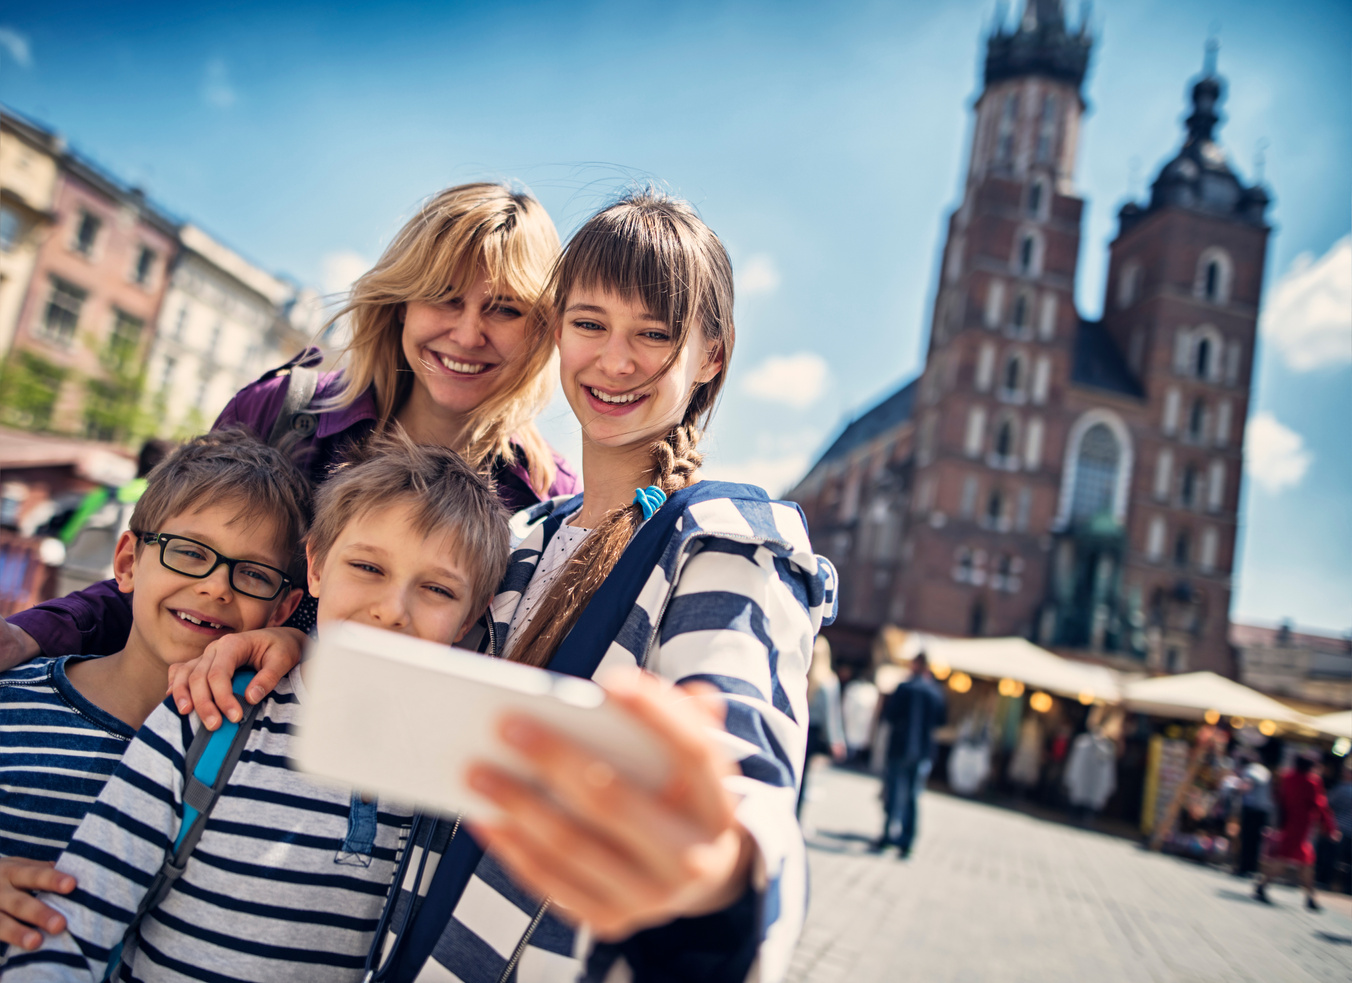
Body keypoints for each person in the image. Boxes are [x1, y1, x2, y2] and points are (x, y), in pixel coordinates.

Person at [159, 190, 835, 982]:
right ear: (556, 335)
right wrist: (300, 643)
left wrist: (719, 880)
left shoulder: (729, 540)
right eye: (590, 324)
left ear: (713, 354)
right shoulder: (520, 539)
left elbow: (745, 783)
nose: (615, 361)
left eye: (654, 334)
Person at [0, 182, 577, 671]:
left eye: (504, 309)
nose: (468, 333)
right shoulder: (283, 413)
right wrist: (32, 634)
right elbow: (165, 571)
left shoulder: (553, 500)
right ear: (400, 301)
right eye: (444, 298)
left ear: (540, 329)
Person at [1, 436, 512, 980]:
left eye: (436, 588)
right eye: (368, 567)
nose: (392, 610)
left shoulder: (447, 774)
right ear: (316, 569)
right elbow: (71, 932)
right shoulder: (200, 721)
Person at [0, 430, 309, 953]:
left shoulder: (264, 767)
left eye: (253, 573)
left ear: (280, 610)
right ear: (126, 562)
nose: (216, 586)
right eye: (189, 552)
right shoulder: (12, 702)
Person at [873, 653, 946, 857]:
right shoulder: (935, 692)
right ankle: (907, 841)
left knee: (895, 792)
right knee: (913, 795)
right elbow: (941, 721)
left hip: (900, 748)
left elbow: (889, 715)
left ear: (916, 665)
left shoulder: (905, 688)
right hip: (922, 751)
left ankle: (888, 835)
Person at [1252, 753, 1340, 910]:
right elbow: (1320, 805)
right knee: (1296, 860)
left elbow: (1279, 797)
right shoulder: (1312, 782)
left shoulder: (1287, 777)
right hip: (1302, 826)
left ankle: (1309, 897)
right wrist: (1329, 828)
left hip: (1288, 822)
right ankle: (1306, 896)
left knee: (1299, 860)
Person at [797, 636, 846, 818]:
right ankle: (797, 817)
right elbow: (831, 715)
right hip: (814, 732)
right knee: (804, 777)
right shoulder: (828, 681)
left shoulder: (798, 673)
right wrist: (836, 740)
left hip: (795, 725)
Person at [1235, 754, 1274, 877]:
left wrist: (1241, 787)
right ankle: (1250, 867)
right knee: (1255, 840)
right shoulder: (1264, 770)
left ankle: (1245, 867)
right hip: (1261, 810)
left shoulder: (1253, 769)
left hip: (1254, 809)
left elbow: (1251, 781)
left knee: (1248, 838)